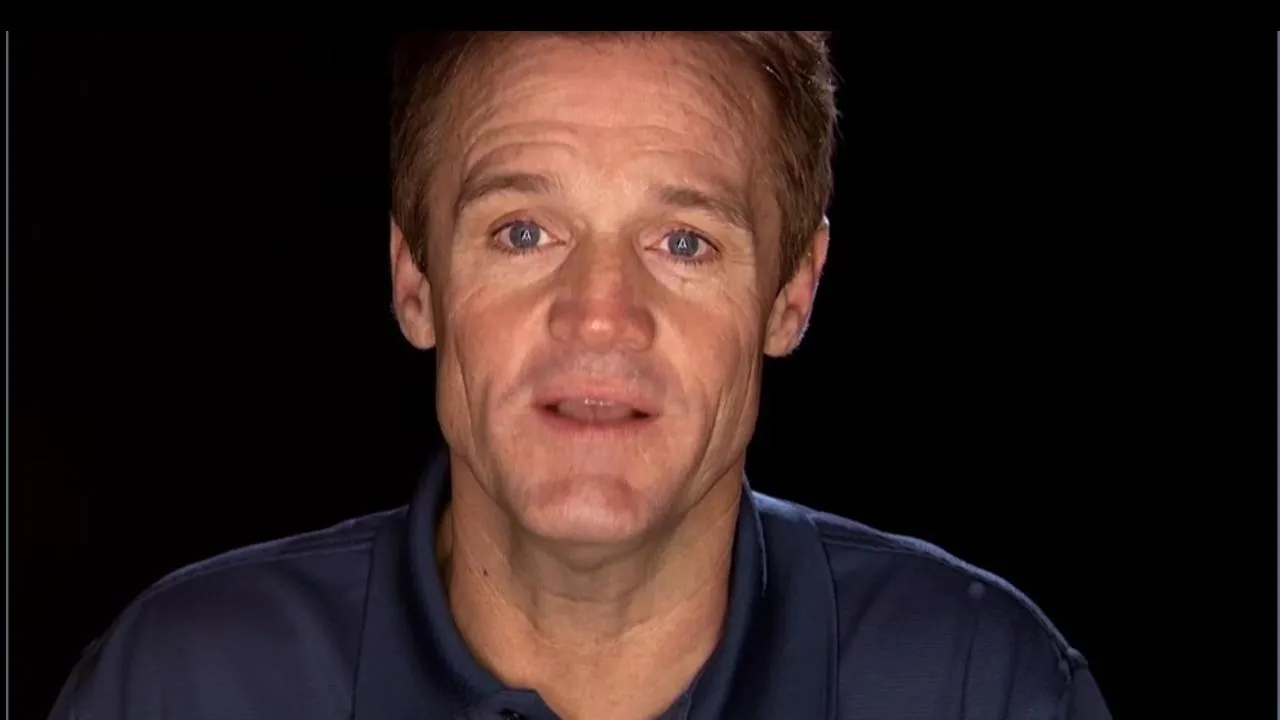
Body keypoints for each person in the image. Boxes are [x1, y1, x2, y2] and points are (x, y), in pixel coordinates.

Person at [48, 31, 1112, 719]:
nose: (600, 314)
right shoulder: (184, 684)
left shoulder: (980, 687)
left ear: (792, 293)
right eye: (524, 231)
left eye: (683, 242)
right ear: (414, 280)